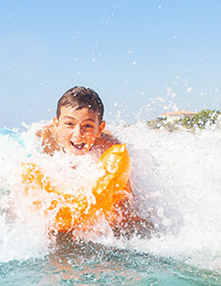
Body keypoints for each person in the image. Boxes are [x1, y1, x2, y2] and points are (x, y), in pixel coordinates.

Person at [30, 86, 147, 236]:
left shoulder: (110, 148)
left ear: (99, 129)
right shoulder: (46, 142)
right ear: (57, 125)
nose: (79, 135)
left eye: (88, 126)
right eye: (69, 124)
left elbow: (127, 207)